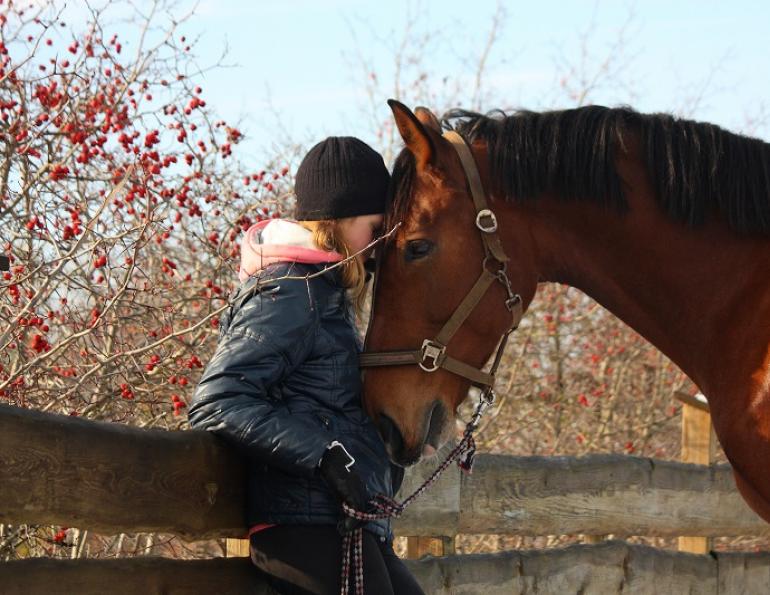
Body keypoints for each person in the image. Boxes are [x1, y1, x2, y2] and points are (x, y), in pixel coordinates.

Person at [188, 137, 424, 595]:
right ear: (338, 219)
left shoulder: (327, 294)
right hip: (302, 521)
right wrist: (324, 456)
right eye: (374, 229)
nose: (378, 247)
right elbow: (219, 399)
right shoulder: (291, 290)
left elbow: (326, 404)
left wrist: (396, 443)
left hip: (341, 522)